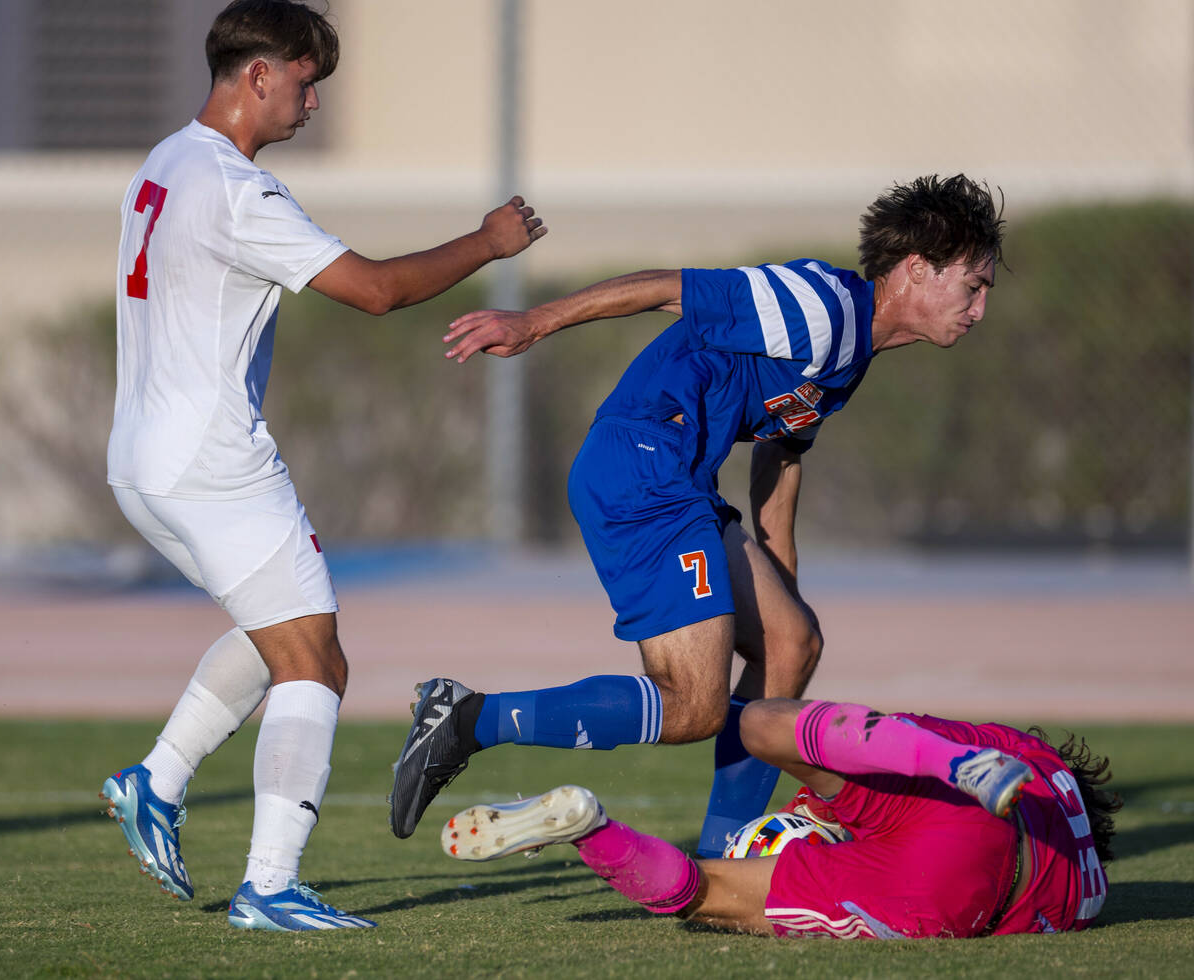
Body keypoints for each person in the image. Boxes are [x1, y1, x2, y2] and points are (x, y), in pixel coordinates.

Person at [388, 175, 1003, 858]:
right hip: (644, 462)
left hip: (679, 479)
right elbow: (666, 288)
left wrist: (782, 591)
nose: (978, 309)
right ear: (917, 269)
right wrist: (533, 323)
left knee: (793, 644)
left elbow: (780, 461)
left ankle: (720, 853)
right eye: (973, 286)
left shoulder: (851, 356)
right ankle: (471, 717)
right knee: (693, 706)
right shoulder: (820, 304)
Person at [98, 0, 545, 932]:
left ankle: (156, 781)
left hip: (140, 460)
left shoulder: (165, 161)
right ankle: (268, 884)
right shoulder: (234, 187)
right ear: (258, 74)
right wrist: (487, 243)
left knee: (283, 632)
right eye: (305, 83)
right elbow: (377, 291)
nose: (310, 104)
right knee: (317, 662)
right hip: (214, 462)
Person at [441, 697, 1120, 940]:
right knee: (710, 892)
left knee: (760, 724)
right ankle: (593, 831)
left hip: (959, 798)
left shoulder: (1033, 755)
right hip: (970, 876)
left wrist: (826, 803)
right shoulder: (1085, 889)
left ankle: (945, 759)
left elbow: (879, 727)